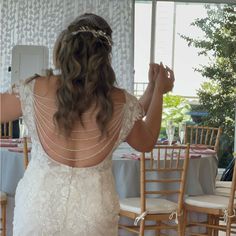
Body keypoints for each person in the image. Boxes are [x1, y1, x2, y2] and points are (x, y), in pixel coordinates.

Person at [0, 13, 174, 236]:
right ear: (105, 56)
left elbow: (132, 116)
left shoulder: (37, 88)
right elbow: (145, 138)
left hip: (38, 210)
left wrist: (153, 88)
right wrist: (158, 90)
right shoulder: (118, 101)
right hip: (93, 214)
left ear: (65, 47)